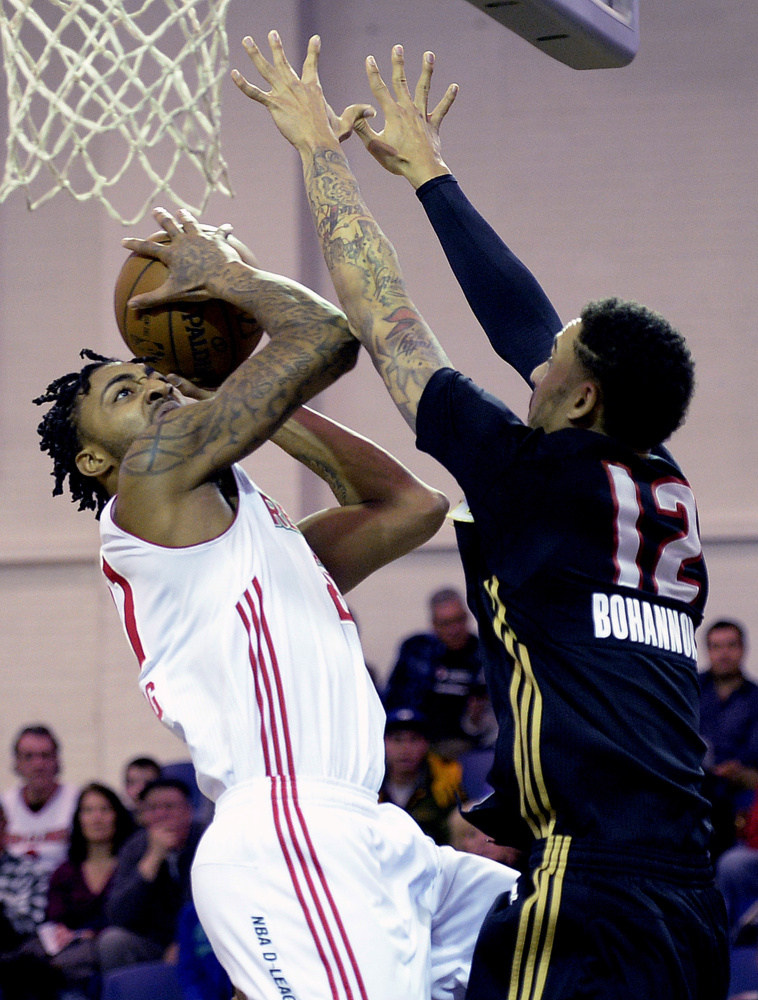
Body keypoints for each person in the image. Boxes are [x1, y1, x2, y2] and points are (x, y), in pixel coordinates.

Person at [233, 32, 729, 999]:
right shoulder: (659, 482)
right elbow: (523, 322)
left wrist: (316, 154)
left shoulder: (530, 475)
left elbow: (386, 322)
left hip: (590, 895)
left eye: (559, 359)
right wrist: (432, 177)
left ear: (580, 399)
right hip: (685, 897)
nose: (538, 359)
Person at [34, 213, 517, 999]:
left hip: (372, 834)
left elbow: (411, 507)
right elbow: (324, 336)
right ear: (95, 458)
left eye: (154, 375)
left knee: (569, 940)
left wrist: (242, 394)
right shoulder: (147, 485)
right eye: (125, 391)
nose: (154, 385)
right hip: (291, 831)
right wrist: (226, 276)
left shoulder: (256, 543)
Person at [98, 777, 203, 972]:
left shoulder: (206, 840)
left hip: (201, 938)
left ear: (188, 811)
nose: (161, 814)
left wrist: (183, 942)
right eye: (153, 808)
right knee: (113, 941)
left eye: (170, 807)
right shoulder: (134, 847)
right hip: (153, 942)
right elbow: (117, 915)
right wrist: (152, 859)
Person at [39, 783, 135, 995]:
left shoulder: (130, 866)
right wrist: (61, 930)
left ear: (117, 815)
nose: (96, 818)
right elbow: (55, 916)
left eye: (104, 809)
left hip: (113, 947)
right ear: (78, 818)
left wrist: (93, 934)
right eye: (88, 810)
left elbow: (134, 916)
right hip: (71, 949)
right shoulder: (65, 871)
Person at [384, 587, 484, 752]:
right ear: (433, 625)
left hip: (462, 743)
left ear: (467, 618)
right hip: (414, 739)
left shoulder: (483, 655)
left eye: (458, 620)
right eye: (445, 623)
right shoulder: (415, 649)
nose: (454, 630)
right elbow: (393, 697)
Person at [700, 620, 758, 858]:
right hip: (694, 782)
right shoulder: (690, 689)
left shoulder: (755, 698)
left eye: (731, 645)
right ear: (708, 651)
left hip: (737, 787)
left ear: (743, 649)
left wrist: (738, 769)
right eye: (716, 646)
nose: (724, 653)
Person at [1, 726, 79, 879]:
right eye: (29, 756)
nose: (38, 765)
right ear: (17, 762)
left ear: (57, 760)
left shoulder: (77, 801)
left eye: (45, 755)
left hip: (62, 892)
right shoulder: (4, 805)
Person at [378, 707, 463, 845]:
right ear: (384, 743)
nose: (405, 749)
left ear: (426, 744)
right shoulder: (370, 784)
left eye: (413, 739)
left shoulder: (447, 783)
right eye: (397, 740)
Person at [122, 757, 161, 824]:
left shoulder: (170, 818)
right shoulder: (120, 820)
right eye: (132, 782)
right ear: (126, 787)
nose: (140, 789)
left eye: (148, 783)